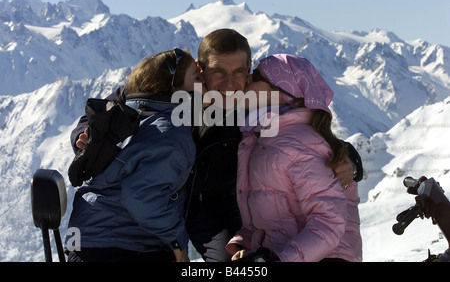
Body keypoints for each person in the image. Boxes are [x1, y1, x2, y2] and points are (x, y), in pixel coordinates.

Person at [71, 29, 363, 262]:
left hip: (219, 208)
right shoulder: (169, 88)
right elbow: (109, 109)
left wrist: (347, 157)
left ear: (249, 72)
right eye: (218, 71)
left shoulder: (252, 106)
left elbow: (305, 131)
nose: (230, 82)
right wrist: (84, 136)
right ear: (200, 69)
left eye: (239, 72)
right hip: (151, 212)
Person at [65, 48, 204, 262]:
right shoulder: (171, 132)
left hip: (86, 238)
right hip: (125, 246)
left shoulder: (127, 116)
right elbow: (141, 198)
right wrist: (178, 241)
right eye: (196, 78)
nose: (203, 83)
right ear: (174, 88)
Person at [226, 54, 363, 262]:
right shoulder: (262, 136)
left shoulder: (299, 144)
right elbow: (275, 210)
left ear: (280, 94)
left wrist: (277, 260)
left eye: (256, 76)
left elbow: (327, 222)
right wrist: (250, 245)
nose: (247, 79)